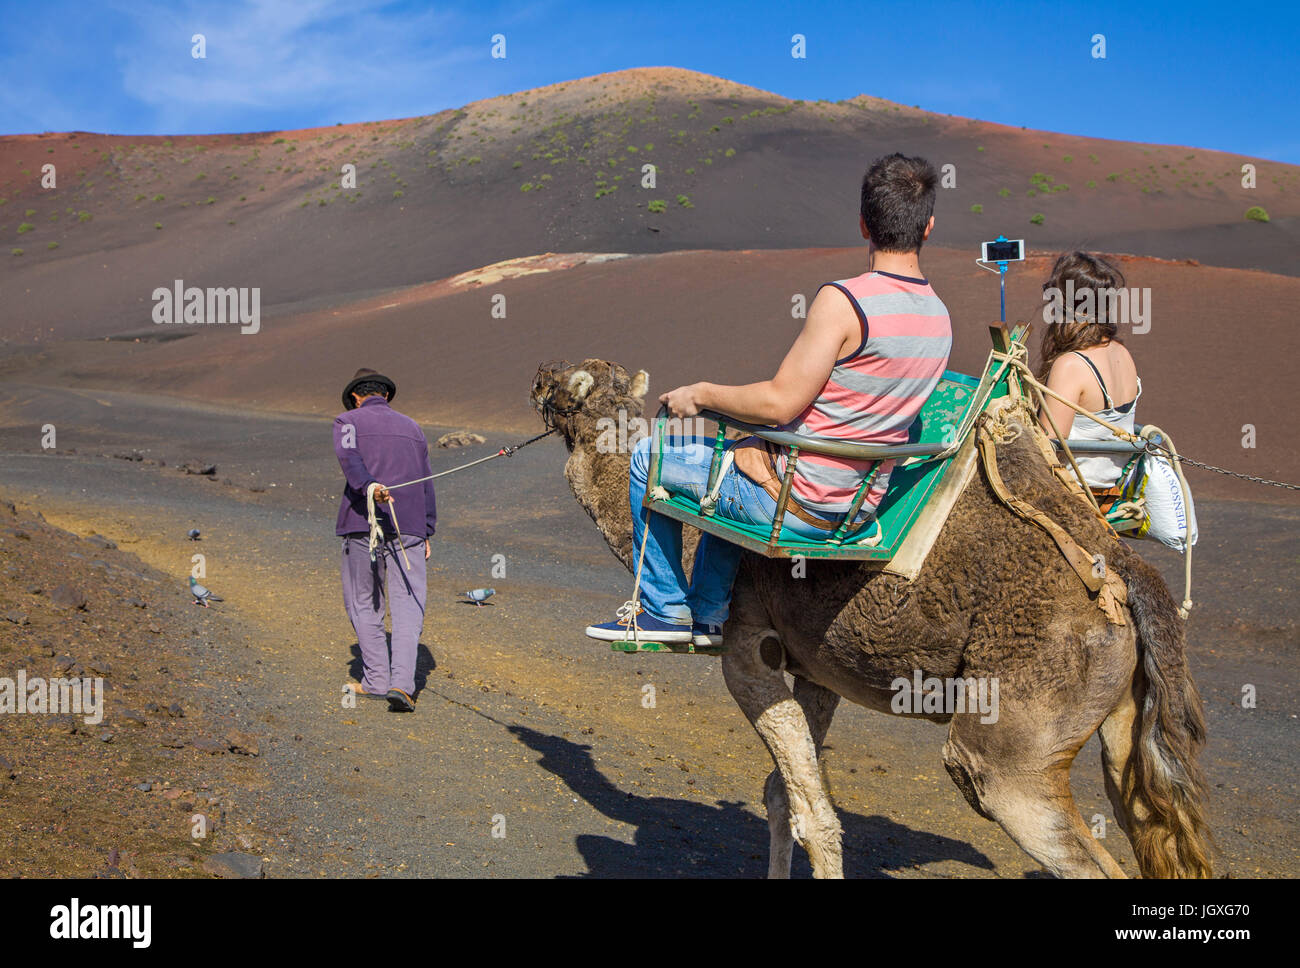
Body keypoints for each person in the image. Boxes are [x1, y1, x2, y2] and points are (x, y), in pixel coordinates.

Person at [586, 153, 952, 647]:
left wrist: (702, 393)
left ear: (864, 222)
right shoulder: (940, 319)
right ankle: (710, 612)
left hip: (795, 502)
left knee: (648, 457)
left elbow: (781, 402)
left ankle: (661, 610)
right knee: (740, 453)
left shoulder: (845, 302)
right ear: (927, 227)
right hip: (858, 510)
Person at [334, 367, 437, 712]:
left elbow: (349, 461)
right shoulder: (414, 428)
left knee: (364, 601)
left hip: (362, 523)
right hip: (409, 525)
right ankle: (402, 685)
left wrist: (369, 487)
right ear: (387, 395)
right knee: (409, 604)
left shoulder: (346, 421)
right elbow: (427, 482)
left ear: (355, 396)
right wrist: (427, 529)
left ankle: (376, 679)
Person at [1035, 252, 1140, 500]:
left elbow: (1047, 448)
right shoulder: (1121, 353)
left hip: (1079, 491)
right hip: (1114, 486)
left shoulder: (1071, 365)